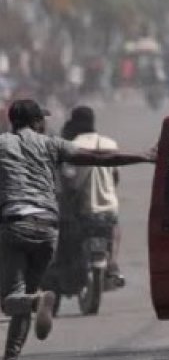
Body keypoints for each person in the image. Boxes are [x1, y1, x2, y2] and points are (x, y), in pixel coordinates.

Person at [0, 99, 169, 360]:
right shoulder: (51, 144)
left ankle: (34, 304)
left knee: (11, 301)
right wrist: (145, 156)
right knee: (25, 296)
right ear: (35, 122)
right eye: (41, 119)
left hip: (15, 226)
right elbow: (101, 158)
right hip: (47, 229)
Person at [59, 106, 125, 286]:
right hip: (109, 208)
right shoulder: (110, 144)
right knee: (115, 227)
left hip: (83, 209)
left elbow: (67, 179)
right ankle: (112, 263)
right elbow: (115, 177)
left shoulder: (71, 146)